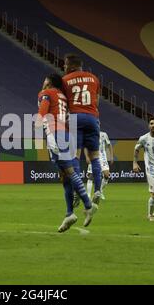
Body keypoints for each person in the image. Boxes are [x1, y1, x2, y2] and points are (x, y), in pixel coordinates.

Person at [36, 73, 98, 233]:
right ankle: (69, 213)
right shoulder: (63, 96)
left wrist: (44, 130)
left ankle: (88, 205)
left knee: (69, 173)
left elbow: (42, 114)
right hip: (67, 134)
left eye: (44, 79)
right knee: (65, 177)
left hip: (56, 134)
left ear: (49, 82)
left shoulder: (46, 94)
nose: (42, 82)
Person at [62, 54, 102, 204]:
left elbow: (63, 102)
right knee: (95, 157)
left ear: (72, 66)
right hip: (92, 117)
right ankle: (98, 190)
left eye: (65, 65)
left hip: (75, 117)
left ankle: (78, 191)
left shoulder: (65, 80)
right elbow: (96, 101)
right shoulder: (94, 78)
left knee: (75, 156)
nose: (64, 67)